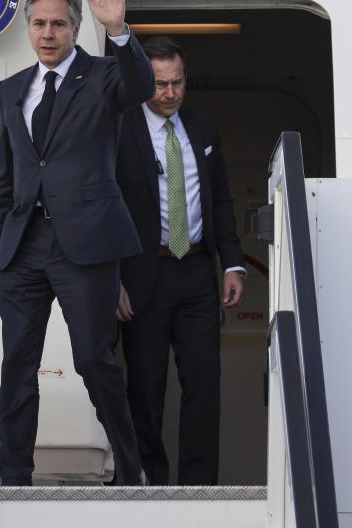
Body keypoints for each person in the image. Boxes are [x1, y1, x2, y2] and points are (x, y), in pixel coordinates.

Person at [0, 0, 153, 486]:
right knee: (17, 366)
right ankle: (14, 480)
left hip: (87, 246)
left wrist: (120, 32)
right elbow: (3, 173)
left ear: (76, 28)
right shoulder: (12, 89)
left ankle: (128, 468)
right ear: (28, 29)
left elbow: (141, 85)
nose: (48, 34)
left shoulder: (103, 77)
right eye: (39, 24)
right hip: (23, 246)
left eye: (58, 24)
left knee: (93, 362)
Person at [115, 36, 245, 485]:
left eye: (178, 83)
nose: (169, 94)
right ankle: (148, 483)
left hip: (196, 271)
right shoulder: (120, 127)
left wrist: (232, 263)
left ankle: (199, 488)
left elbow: (222, 199)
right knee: (146, 389)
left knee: (205, 385)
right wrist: (113, 279)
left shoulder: (202, 126)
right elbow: (104, 206)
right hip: (143, 273)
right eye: (159, 84)